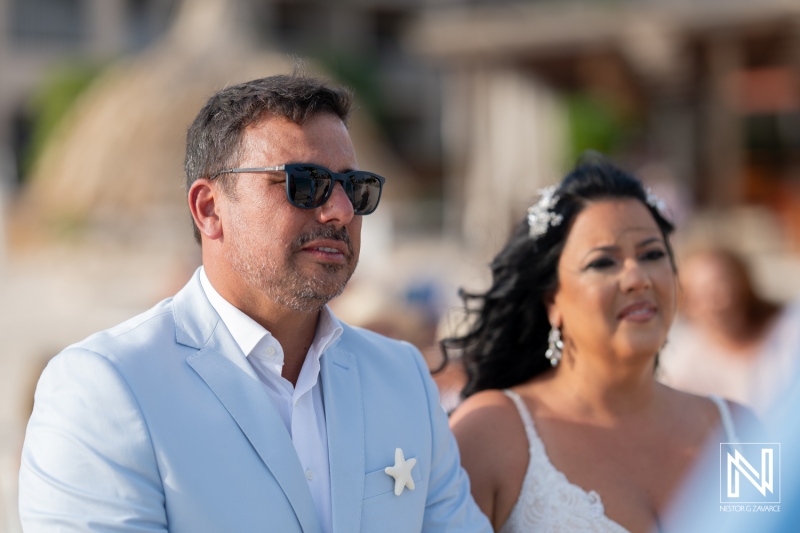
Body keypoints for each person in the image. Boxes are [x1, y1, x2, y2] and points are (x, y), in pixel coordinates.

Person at [19, 73, 491, 533]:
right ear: (209, 208)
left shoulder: (402, 377)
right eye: (306, 183)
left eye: (356, 187)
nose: (341, 210)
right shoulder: (105, 387)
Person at [442, 160, 755, 532]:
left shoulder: (741, 430)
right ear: (552, 301)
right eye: (603, 262)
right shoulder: (489, 432)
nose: (637, 278)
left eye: (653, 254)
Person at [658, 247, 800, 417]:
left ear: (742, 284)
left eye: (720, 287)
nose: (714, 304)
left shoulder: (790, 330)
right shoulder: (684, 361)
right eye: (699, 295)